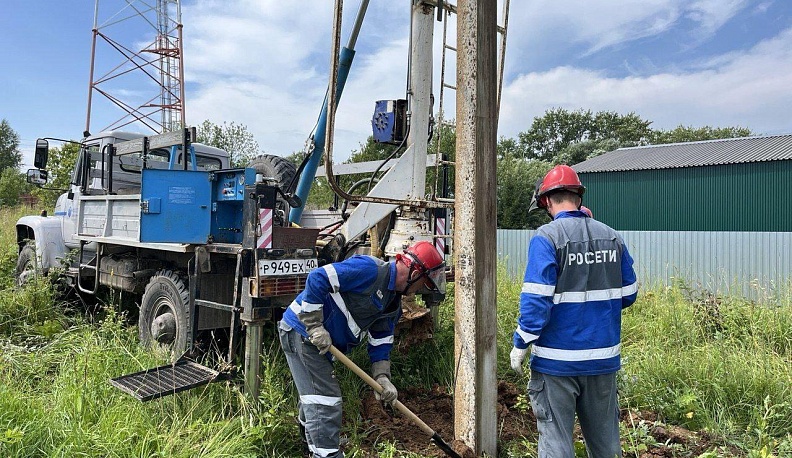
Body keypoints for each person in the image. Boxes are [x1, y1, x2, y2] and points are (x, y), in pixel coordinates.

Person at [510, 165, 638, 458]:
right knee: (606, 445)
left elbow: (536, 300)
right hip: (602, 361)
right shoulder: (611, 237)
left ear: (546, 201)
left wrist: (521, 343)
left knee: (556, 442)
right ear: (579, 197)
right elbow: (629, 293)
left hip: (556, 363)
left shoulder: (547, 237)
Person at [279, 241, 446, 458]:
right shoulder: (369, 270)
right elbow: (319, 276)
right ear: (415, 274)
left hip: (322, 343)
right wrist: (314, 325)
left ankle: (312, 444)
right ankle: (326, 453)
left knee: (315, 395)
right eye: (424, 283)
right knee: (326, 400)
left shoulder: (392, 304)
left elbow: (381, 340)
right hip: (302, 332)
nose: (421, 290)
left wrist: (382, 377)